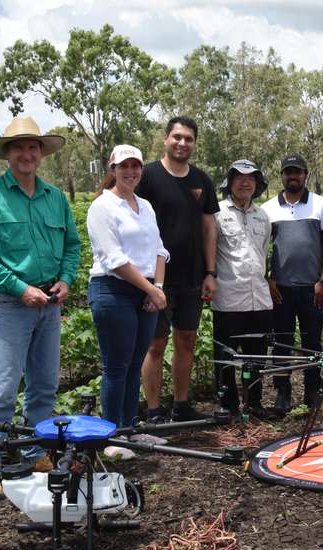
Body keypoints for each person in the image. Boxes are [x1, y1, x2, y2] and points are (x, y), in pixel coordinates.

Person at [0, 116, 81, 503]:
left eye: (33, 147)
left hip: (50, 305)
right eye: (19, 147)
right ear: (7, 154)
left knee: (44, 386)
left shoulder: (55, 198)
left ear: (41, 153)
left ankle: (34, 452)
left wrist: (66, 278)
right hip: (14, 304)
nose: (27, 153)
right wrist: (19, 288)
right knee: (1, 388)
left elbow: (72, 246)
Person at [136, 116, 219, 423]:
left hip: (192, 277)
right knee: (155, 344)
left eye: (189, 139)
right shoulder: (146, 176)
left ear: (194, 144)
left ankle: (181, 406)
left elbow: (209, 228)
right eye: (177, 137)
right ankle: (155, 410)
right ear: (166, 139)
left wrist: (210, 273)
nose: (182, 143)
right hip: (154, 278)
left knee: (186, 340)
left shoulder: (201, 180)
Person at [86, 144, 168, 444]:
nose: (131, 172)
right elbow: (114, 259)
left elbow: (159, 250)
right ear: (113, 171)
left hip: (146, 292)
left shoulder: (145, 206)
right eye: (124, 167)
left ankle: (130, 429)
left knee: (135, 363)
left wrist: (156, 288)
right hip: (114, 291)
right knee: (117, 366)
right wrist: (150, 288)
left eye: (136, 166)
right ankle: (111, 436)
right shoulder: (102, 207)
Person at [261, 153, 323, 413]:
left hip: (312, 288)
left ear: (306, 175)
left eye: (297, 172)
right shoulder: (268, 209)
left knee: (312, 342)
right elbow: (261, 249)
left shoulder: (321, 204)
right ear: (282, 176)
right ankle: (283, 393)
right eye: (288, 172)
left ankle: (312, 392)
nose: (292, 176)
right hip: (280, 289)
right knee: (282, 342)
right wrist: (268, 278)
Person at [212, 160, 280, 420]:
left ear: (257, 185)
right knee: (226, 357)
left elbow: (263, 252)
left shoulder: (263, 216)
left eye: (251, 178)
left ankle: (254, 403)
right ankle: (227, 405)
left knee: (256, 356)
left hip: (259, 299)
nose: (245, 182)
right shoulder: (217, 213)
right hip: (228, 296)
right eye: (239, 177)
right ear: (229, 183)